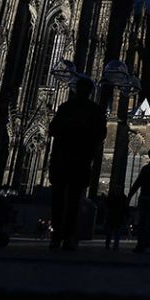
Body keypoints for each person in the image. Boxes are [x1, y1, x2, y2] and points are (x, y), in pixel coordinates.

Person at [47, 76, 107, 251]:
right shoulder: (94, 110)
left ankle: (57, 236)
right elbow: (101, 134)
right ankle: (68, 236)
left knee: (59, 199)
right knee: (74, 200)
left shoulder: (66, 108)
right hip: (80, 160)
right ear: (90, 91)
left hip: (63, 159)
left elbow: (53, 129)